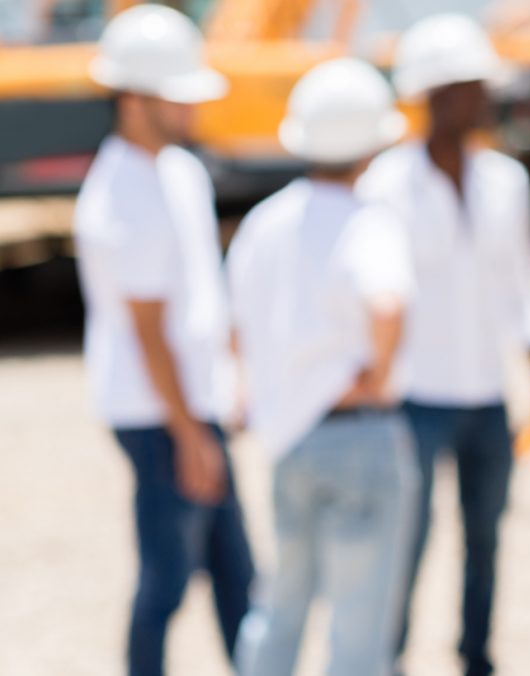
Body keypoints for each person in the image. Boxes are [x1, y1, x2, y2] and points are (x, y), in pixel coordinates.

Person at [356, 14, 530, 676]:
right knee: (404, 542)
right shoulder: (383, 185)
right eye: (474, 86)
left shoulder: (506, 181)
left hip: (485, 397)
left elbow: (518, 282)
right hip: (414, 399)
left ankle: (476, 658)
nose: (486, 99)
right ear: (437, 94)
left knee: (485, 540)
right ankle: (387, 660)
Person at [73, 6, 253, 675]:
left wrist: (222, 387)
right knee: (168, 580)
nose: (188, 109)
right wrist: (189, 433)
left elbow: (202, 299)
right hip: (156, 414)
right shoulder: (120, 195)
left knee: (237, 576)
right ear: (134, 98)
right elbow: (148, 333)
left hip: (188, 405)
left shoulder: (179, 172)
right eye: (174, 97)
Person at [229, 57, 417, 676]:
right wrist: (379, 374)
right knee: (359, 631)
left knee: (280, 606)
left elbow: (236, 327)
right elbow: (386, 302)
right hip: (358, 432)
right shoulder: (369, 220)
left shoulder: (264, 221)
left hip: (290, 436)